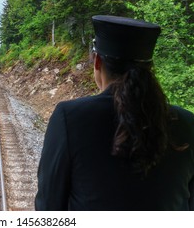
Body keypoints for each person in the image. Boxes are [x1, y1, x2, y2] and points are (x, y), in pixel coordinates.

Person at [35, 15, 194, 210]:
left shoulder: (69, 117)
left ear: (98, 62)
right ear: (150, 67)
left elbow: (48, 206)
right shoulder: (188, 123)